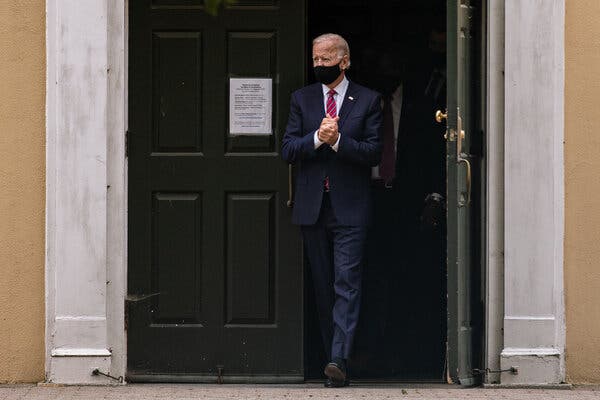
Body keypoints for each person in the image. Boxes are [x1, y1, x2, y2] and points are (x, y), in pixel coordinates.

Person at [281, 33, 383, 388]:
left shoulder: (368, 100)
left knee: (347, 284)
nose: (319, 66)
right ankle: (331, 357)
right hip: (312, 207)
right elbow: (288, 149)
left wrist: (338, 141)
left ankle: (339, 358)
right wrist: (316, 139)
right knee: (323, 287)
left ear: (345, 61)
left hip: (350, 208)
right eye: (316, 59)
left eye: (326, 60)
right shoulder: (302, 99)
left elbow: (372, 153)